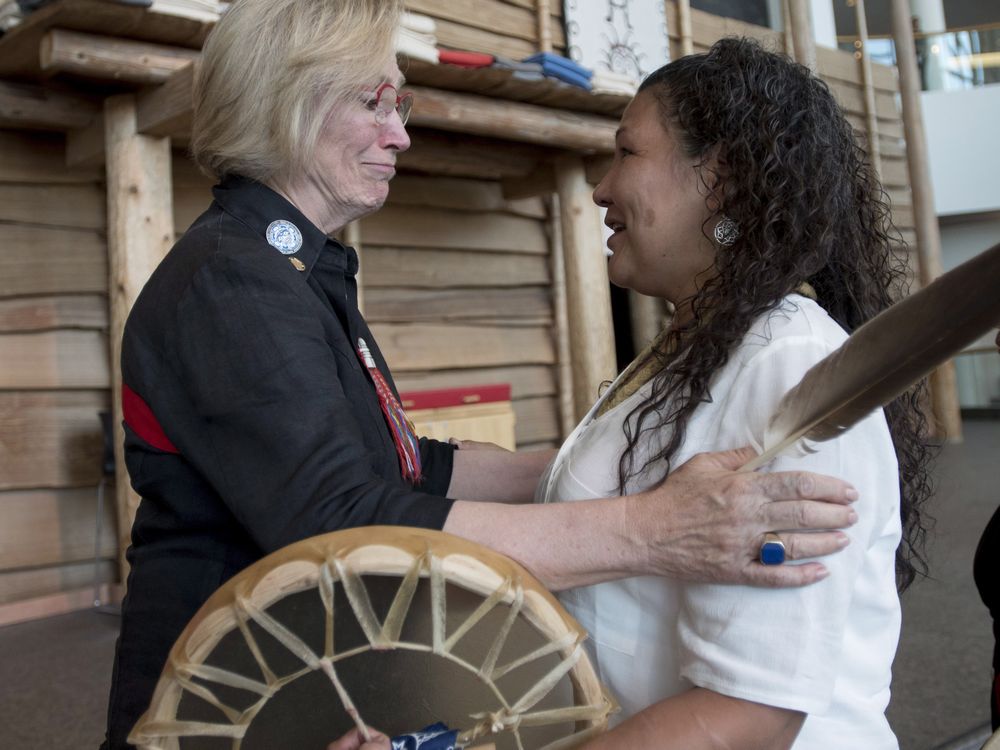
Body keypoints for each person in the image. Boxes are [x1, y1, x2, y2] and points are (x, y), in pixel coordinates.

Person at [100, 3, 860, 747]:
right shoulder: (232, 282)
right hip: (235, 700)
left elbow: (405, 465)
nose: (399, 133)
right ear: (282, 99)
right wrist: (652, 527)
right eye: (376, 102)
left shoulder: (289, 268)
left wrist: (608, 469)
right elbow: (340, 520)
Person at [534, 38, 934, 749]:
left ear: (719, 179)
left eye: (627, 152)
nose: (600, 187)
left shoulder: (789, 364)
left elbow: (749, 716)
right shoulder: (691, 354)